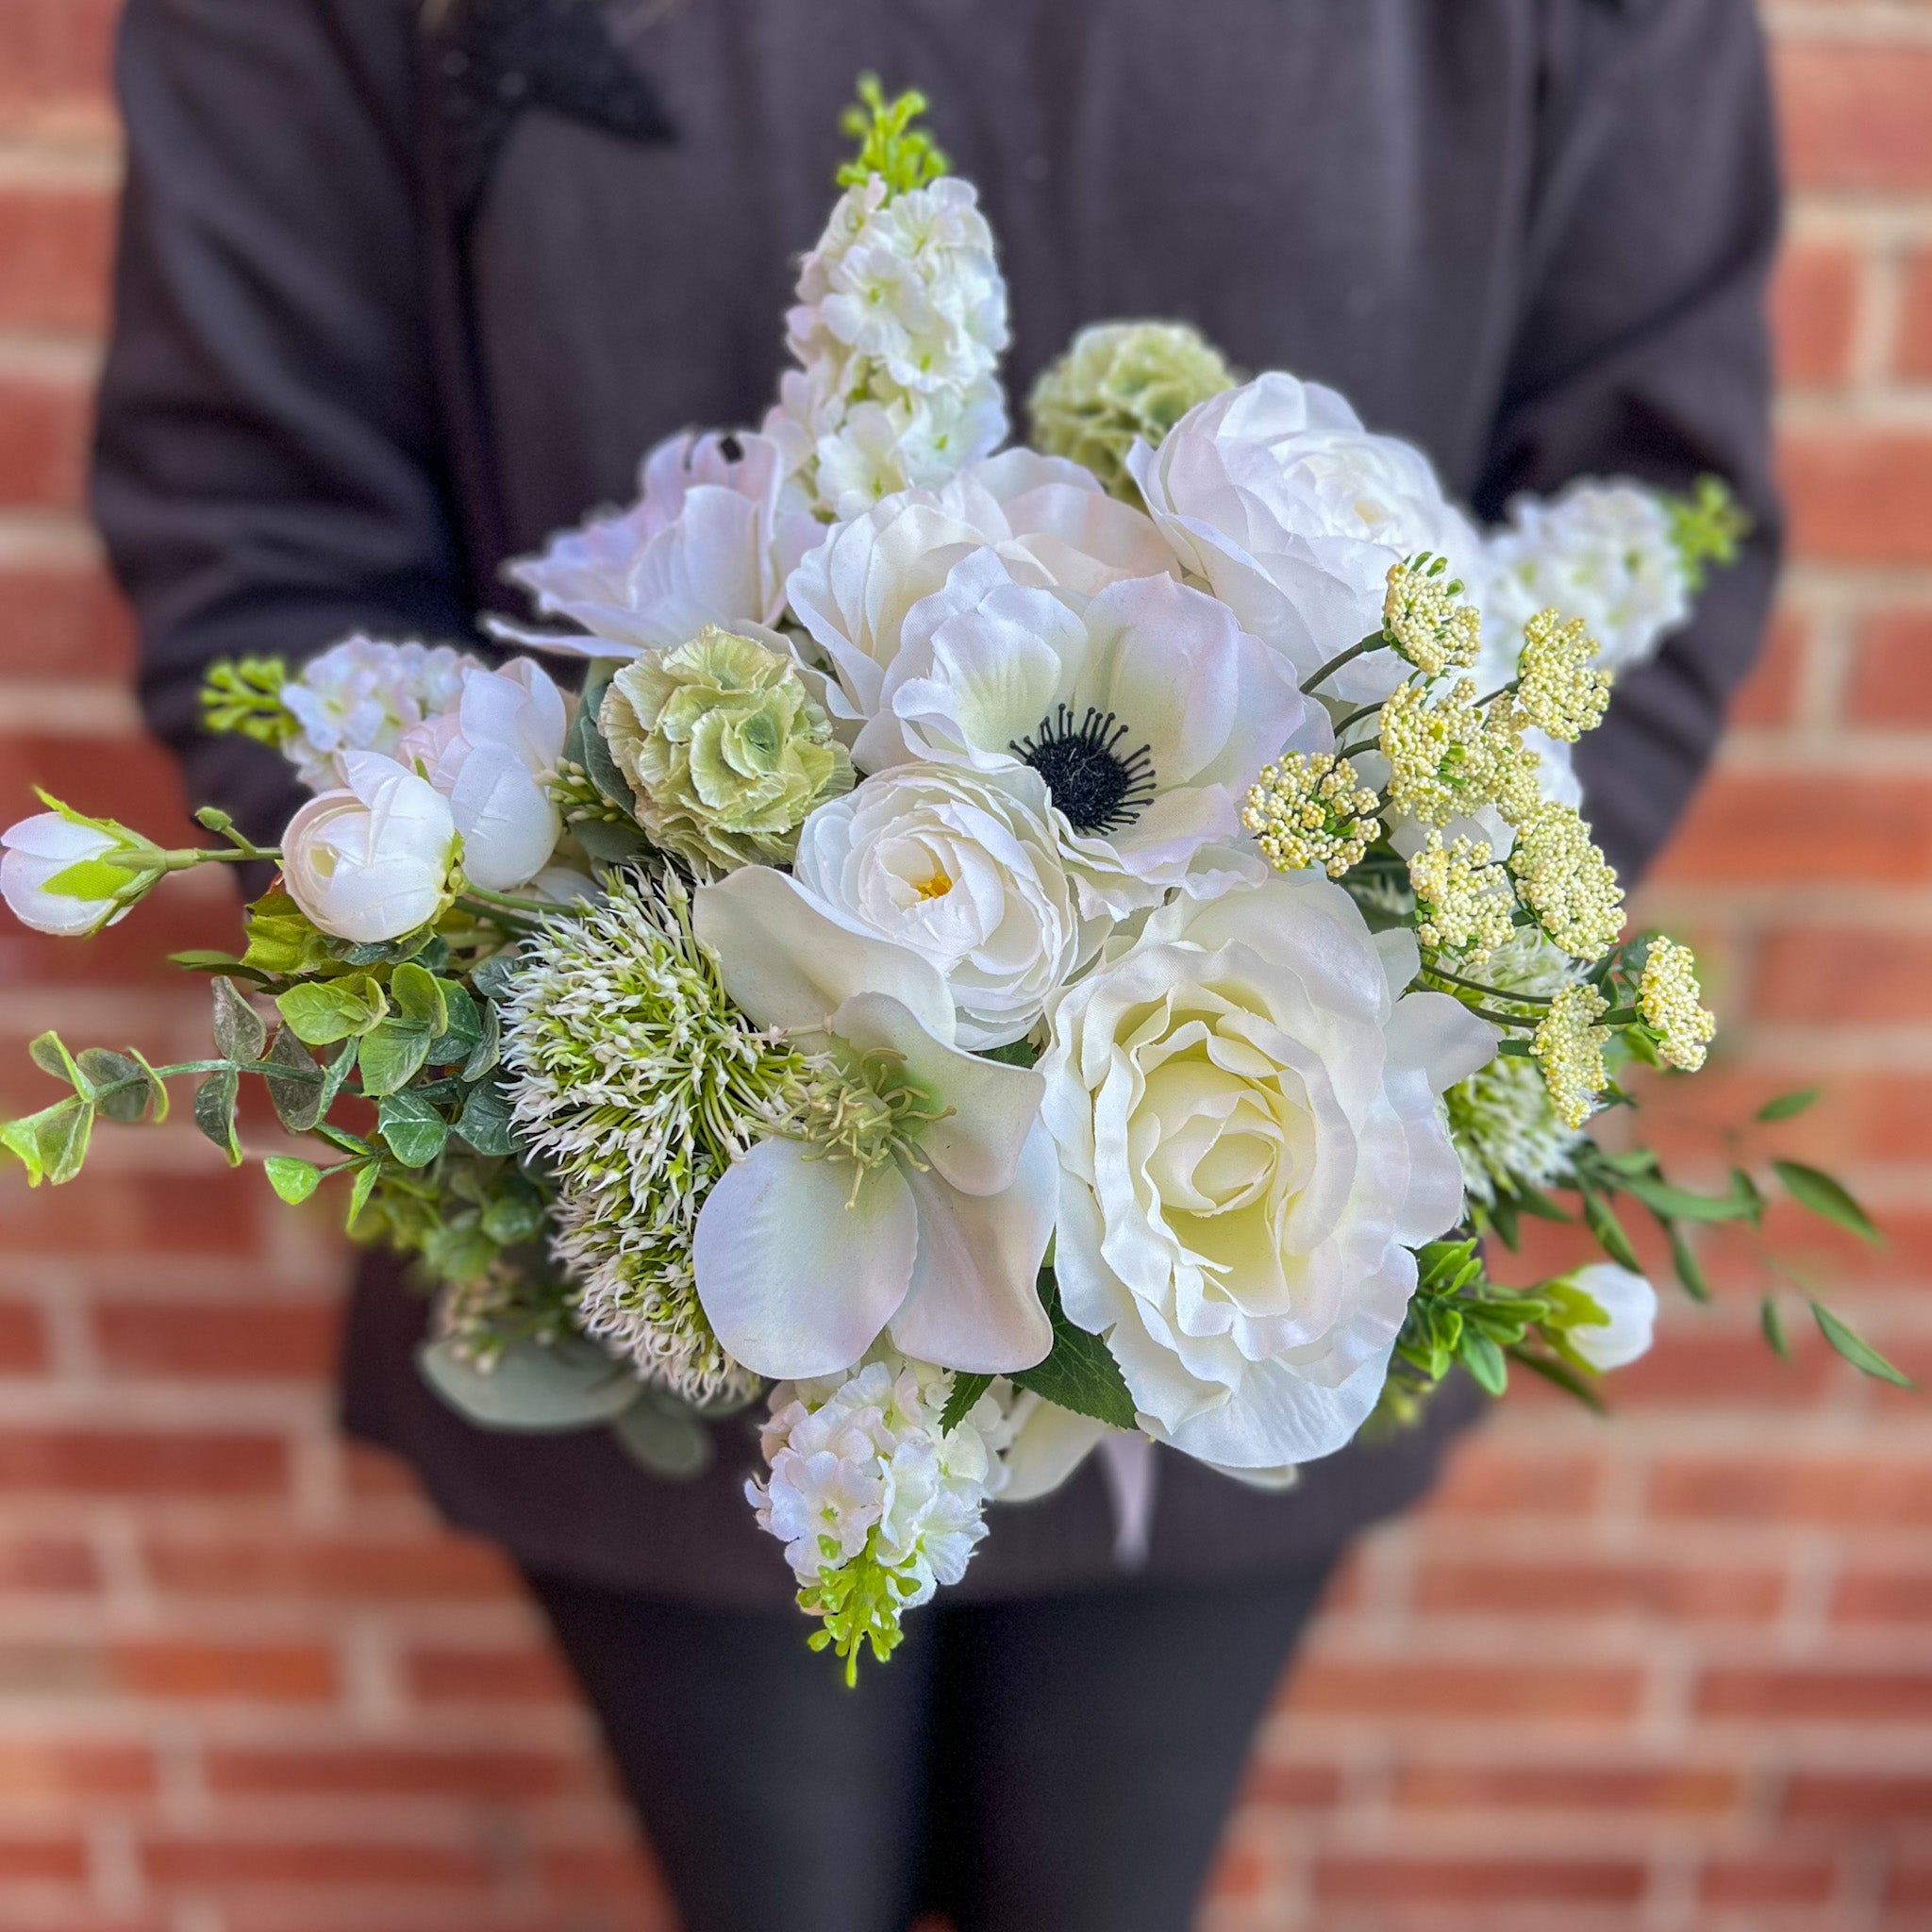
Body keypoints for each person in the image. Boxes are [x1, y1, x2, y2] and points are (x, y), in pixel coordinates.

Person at [91, 3, 1781, 1927]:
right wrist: (566, 1012)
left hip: (1252, 1230)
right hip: (656, 1250)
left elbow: (1653, 512)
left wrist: (1407, 978)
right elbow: (256, 529)